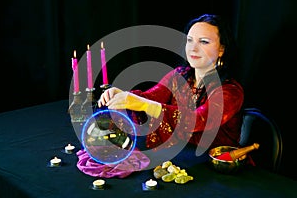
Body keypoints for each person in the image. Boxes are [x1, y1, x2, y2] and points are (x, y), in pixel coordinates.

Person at [97, 14, 244, 153]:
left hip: (214, 167)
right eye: (190, 40)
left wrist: (141, 103)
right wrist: (123, 95)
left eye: (204, 41)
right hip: (180, 155)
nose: (193, 48)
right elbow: (151, 96)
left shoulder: (231, 91)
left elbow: (197, 120)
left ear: (221, 49)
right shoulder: (180, 75)